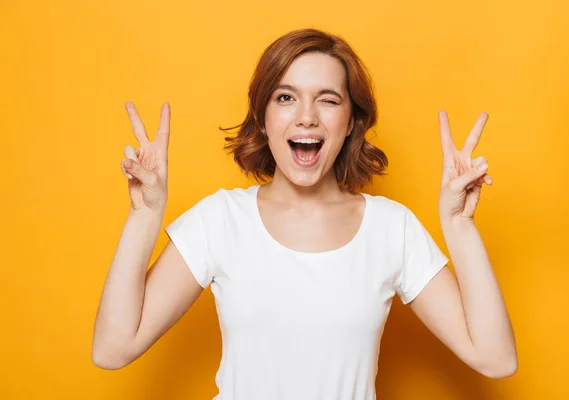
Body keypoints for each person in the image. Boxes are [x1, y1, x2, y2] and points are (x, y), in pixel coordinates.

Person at [92, 28, 517, 399]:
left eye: (328, 100)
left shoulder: (392, 229)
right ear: (262, 116)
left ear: (351, 121)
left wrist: (459, 226)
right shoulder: (220, 221)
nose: (307, 117)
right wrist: (144, 217)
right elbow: (113, 348)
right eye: (286, 97)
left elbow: (495, 359)